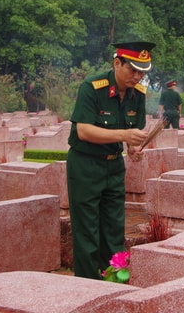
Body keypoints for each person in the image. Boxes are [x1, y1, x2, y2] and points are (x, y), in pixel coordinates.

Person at [66, 41, 154, 279]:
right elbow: (83, 131)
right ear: (117, 63)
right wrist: (124, 135)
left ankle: (113, 281)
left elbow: (132, 131)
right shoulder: (92, 88)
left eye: (142, 72)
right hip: (86, 165)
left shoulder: (138, 95)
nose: (137, 77)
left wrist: (132, 147)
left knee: (114, 229)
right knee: (87, 232)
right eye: (133, 70)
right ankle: (88, 287)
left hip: (114, 166)